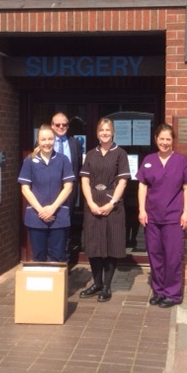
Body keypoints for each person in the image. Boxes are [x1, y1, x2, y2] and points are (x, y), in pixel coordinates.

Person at [137, 124, 187, 308]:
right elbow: (142, 186)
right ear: (156, 139)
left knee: (172, 257)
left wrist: (186, 211)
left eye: (168, 139)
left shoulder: (181, 161)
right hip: (152, 217)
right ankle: (159, 291)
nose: (164, 142)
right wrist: (141, 209)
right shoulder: (148, 160)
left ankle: (173, 294)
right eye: (161, 139)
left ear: (173, 140)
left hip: (173, 218)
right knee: (155, 255)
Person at [79, 118, 130, 302]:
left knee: (111, 245)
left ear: (113, 132)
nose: (105, 133)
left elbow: (123, 181)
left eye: (108, 130)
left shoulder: (120, 154)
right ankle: (97, 283)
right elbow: (84, 180)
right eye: (101, 130)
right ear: (97, 133)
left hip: (112, 204)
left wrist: (112, 203)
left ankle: (107, 286)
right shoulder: (91, 154)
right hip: (93, 203)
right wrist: (91, 203)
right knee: (94, 245)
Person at [18, 124, 75, 262]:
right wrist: (41, 210)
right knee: (39, 257)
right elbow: (25, 188)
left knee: (58, 257)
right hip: (36, 217)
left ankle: (57, 285)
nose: (47, 143)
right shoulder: (30, 161)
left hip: (58, 216)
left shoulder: (63, 160)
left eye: (50, 139)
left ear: (54, 139)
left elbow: (68, 187)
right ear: (38, 140)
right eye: (43, 139)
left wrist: (52, 208)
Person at [51, 112, 84, 259]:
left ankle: (63, 257)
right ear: (52, 126)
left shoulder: (75, 143)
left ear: (68, 126)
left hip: (69, 191)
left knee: (65, 222)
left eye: (64, 124)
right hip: (49, 190)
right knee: (49, 220)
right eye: (57, 125)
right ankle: (50, 257)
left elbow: (78, 167)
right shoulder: (45, 142)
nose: (61, 127)